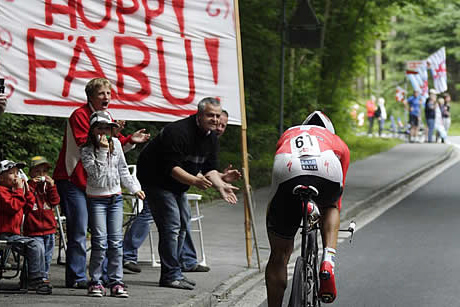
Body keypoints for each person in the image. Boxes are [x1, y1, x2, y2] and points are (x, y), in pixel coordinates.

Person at [53, 77, 150, 289]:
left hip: (98, 186)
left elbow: (113, 152)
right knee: (79, 230)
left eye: (108, 93)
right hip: (73, 179)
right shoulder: (79, 115)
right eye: (101, 94)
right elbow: (87, 145)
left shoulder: (106, 118)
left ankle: (106, 278)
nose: (106, 97)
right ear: (91, 96)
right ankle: (78, 278)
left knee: (108, 236)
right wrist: (114, 135)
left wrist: (129, 140)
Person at [137, 97, 238, 290]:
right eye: (210, 115)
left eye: (218, 116)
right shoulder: (178, 132)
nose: (215, 120)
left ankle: (176, 272)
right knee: (172, 225)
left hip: (177, 183)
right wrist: (195, 181)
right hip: (156, 179)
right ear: (199, 115)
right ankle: (169, 275)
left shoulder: (212, 138)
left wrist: (221, 186)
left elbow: (210, 170)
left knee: (183, 224)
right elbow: (172, 168)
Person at [265, 111, 350, 306]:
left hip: (288, 168)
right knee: (330, 205)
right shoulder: (336, 141)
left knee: (278, 255)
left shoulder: (289, 133)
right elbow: (338, 199)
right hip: (326, 167)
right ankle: (328, 259)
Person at [81, 111, 146, 298]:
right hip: (97, 199)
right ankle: (96, 281)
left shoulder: (116, 144)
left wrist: (134, 188)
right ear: (92, 130)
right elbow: (97, 177)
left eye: (107, 128)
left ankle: (116, 281)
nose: (103, 131)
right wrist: (101, 150)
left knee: (116, 243)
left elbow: (123, 170)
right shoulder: (86, 150)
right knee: (100, 242)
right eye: (99, 127)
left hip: (115, 199)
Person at [0, 159, 53, 294]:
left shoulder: (13, 191)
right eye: (12, 173)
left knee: (37, 245)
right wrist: (18, 190)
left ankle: (32, 278)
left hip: (13, 235)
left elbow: (28, 207)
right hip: (4, 234)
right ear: (1, 177)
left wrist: (27, 190)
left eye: (18, 173)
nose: (16, 176)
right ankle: (35, 280)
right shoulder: (2, 192)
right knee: (34, 245)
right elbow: (13, 207)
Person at [23, 156, 60, 281]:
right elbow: (26, 202)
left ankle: (43, 276)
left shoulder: (48, 187)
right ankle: (32, 276)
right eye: (37, 172)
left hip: (49, 228)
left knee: (47, 255)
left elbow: (55, 201)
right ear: (30, 173)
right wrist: (33, 184)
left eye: (44, 171)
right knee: (36, 254)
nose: (41, 174)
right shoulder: (27, 186)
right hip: (34, 229)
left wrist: (52, 186)